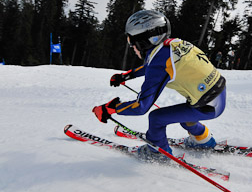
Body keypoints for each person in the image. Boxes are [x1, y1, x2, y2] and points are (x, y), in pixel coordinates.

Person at [92, 10, 227, 162]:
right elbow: (153, 66)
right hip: (216, 96)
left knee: (156, 118)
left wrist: (110, 108)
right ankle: (204, 140)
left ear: (143, 40)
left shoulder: (160, 62)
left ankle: (157, 154)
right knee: (186, 118)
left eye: (131, 42)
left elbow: (140, 107)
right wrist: (126, 76)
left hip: (207, 106)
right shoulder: (171, 45)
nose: (131, 47)